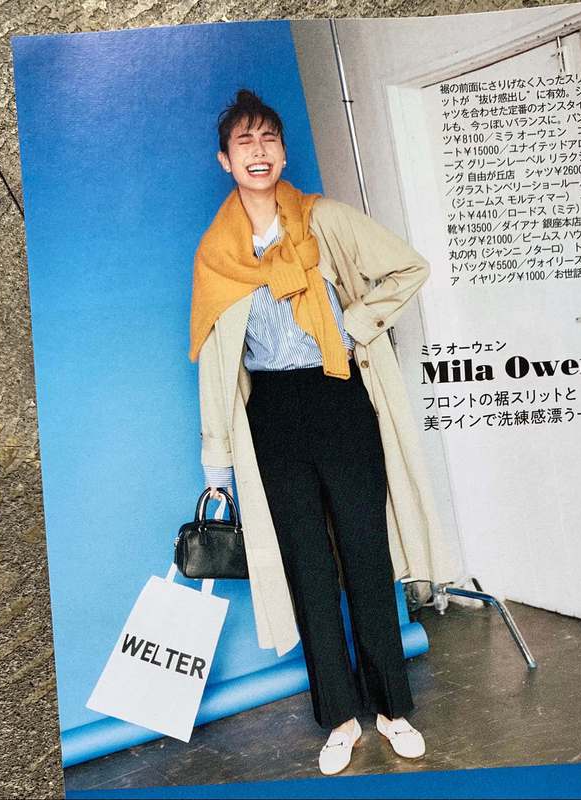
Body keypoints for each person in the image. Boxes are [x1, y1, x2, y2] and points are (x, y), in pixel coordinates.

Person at [189, 89, 461, 776]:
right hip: (272, 416)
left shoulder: (324, 219)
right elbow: (216, 364)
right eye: (245, 142)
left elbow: (409, 266)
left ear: (283, 152)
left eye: (269, 139)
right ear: (225, 160)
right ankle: (340, 717)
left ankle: (392, 708)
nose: (259, 152)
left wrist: (356, 324)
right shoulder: (216, 255)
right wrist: (217, 461)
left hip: (339, 396)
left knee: (366, 556)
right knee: (308, 569)